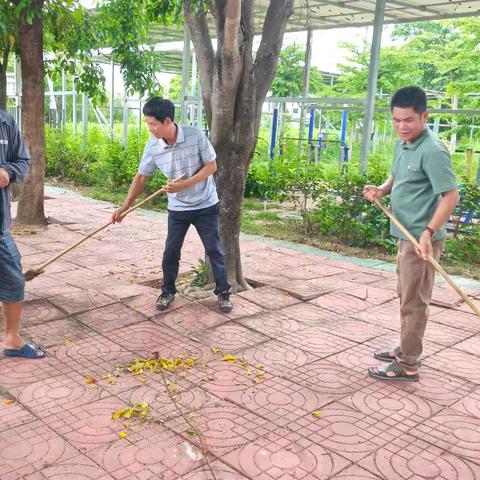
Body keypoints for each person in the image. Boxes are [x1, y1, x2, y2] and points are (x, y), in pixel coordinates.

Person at [363, 86, 459, 381]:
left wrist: (429, 232)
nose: (401, 127)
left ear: (424, 116)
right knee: (406, 295)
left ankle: (408, 363)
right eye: (396, 120)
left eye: (408, 120)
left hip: (421, 240)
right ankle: (405, 348)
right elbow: (398, 175)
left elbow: (451, 196)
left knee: (414, 301)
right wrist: (382, 189)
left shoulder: (433, 150)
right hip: (406, 236)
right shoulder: (404, 144)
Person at [112, 97, 233, 313]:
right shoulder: (153, 146)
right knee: (171, 251)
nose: (150, 129)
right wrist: (125, 206)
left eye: (153, 124)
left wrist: (186, 183)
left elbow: (212, 166)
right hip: (178, 209)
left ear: (167, 121)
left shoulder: (195, 136)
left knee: (214, 249)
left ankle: (223, 292)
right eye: (147, 123)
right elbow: (141, 178)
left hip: (206, 205)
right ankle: (168, 291)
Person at [0, 110, 45, 359]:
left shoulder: (4, 122)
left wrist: (7, 173)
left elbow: (22, 161)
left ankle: (12, 339)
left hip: (1, 223)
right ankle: (12, 340)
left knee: (13, 278)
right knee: (13, 279)